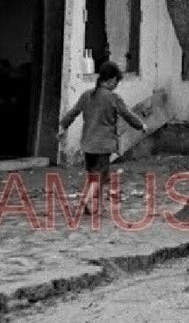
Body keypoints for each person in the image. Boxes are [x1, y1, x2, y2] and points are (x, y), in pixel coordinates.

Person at [60, 61, 146, 215]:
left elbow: (72, 113)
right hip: (103, 145)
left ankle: (97, 207)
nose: (116, 85)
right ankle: (84, 202)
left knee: (95, 176)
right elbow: (128, 115)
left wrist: (63, 127)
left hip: (87, 144)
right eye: (116, 82)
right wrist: (141, 126)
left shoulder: (86, 96)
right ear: (112, 80)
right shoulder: (113, 98)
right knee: (99, 177)